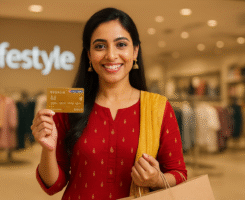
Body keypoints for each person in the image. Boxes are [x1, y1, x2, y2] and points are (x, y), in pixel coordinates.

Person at [31, 7, 187, 200]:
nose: (111, 56)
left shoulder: (158, 106)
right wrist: (48, 149)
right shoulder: (69, 102)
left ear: (135, 50)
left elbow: (179, 173)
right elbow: (54, 184)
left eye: (121, 44)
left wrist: (157, 179)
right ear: (88, 54)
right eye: (100, 46)